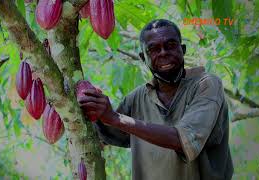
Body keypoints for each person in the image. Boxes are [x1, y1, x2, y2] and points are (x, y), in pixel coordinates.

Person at [78, 19, 233, 180]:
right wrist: (95, 108)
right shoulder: (137, 98)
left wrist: (115, 118)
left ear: (183, 49)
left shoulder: (206, 84)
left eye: (171, 45)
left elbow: (183, 140)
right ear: (143, 57)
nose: (163, 53)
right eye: (153, 49)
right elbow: (110, 135)